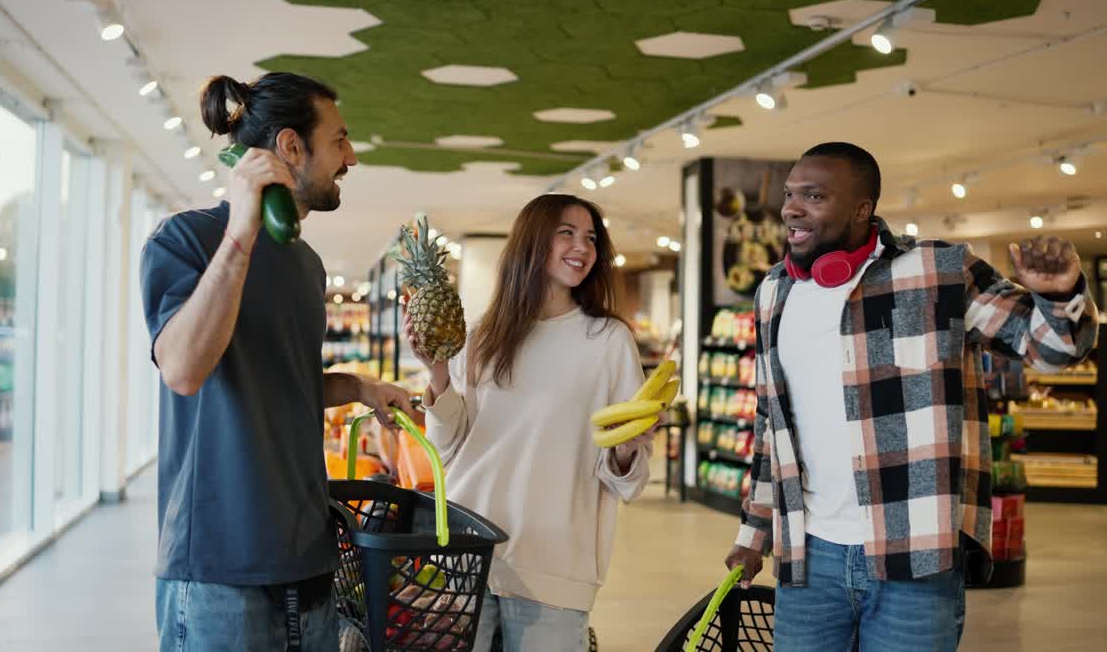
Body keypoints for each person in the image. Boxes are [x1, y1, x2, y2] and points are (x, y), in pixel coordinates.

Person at [724, 142, 1099, 651]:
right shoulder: (775, 292)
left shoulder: (939, 272)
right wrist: (754, 533)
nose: (791, 207)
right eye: (791, 194)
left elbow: (1052, 348)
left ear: (863, 209)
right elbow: (772, 428)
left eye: (813, 195)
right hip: (810, 557)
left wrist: (1059, 297)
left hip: (916, 556)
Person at [141, 72, 416, 651]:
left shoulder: (305, 263)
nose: (353, 157)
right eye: (340, 140)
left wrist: (357, 386)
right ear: (292, 146)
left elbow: (277, 380)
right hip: (221, 567)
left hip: (308, 556)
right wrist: (241, 230)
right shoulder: (185, 241)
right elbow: (185, 370)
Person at [406, 194, 657, 651]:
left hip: (555, 562)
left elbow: (628, 481)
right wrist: (437, 373)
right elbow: (449, 447)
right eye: (567, 232)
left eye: (591, 238)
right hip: (468, 549)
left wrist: (626, 450)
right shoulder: (482, 334)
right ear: (532, 242)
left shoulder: (609, 341)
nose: (582, 246)